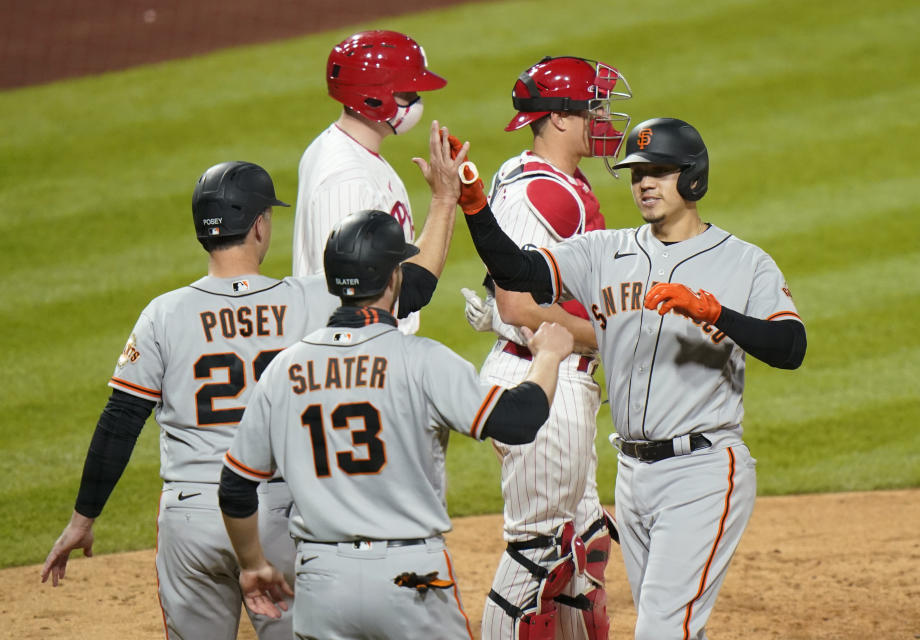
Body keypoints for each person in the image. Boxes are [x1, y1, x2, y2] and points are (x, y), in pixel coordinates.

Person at [41, 122, 463, 640]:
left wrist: (83, 519)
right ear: (260, 225)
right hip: (273, 513)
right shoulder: (309, 298)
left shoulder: (163, 314)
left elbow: (120, 422)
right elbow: (414, 287)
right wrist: (444, 201)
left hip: (190, 517)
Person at [453, 117, 806, 640]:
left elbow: (791, 347)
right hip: (633, 475)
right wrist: (477, 208)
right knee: (675, 625)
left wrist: (716, 313)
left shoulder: (743, 262)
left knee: (661, 629)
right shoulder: (604, 252)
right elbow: (518, 271)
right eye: (637, 172)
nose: (643, 182)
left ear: (692, 179)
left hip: (702, 471)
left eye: (658, 171)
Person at [217, 207, 577, 640]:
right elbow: (519, 421)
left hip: (321, 579)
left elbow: (235, 487)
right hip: (409, 578)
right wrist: (549, 357)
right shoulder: (422, 360)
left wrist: (254, 564)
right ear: (393, 279)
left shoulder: (283, 369)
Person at [458, 56, 632, 640]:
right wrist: (611, 335)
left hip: (550, 374)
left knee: (581, 550)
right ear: (559, 118)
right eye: (595, 108)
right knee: (538, 553)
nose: (606, 119)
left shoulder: (532, 174)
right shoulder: (546, 194)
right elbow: (519, 306)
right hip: (544, 377)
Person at [292, 29, 448, 335]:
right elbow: (341, 295)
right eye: (408, 92)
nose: (417, 101)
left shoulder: (351, 151)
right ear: (375, 96)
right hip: (359, 362)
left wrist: (446, 198)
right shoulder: (347, 178)